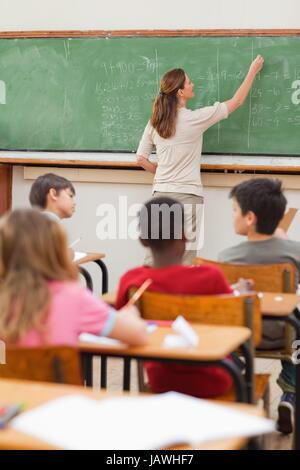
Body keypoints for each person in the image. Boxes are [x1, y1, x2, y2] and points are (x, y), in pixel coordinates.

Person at [136, 56, 264, 264]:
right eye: (189, 82)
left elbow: (141, 159)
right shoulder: (194, 118)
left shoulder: (155, 122)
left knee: (155, 255)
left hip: (160, 195)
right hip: (187, 196)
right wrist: (252, 71)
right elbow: (236, 102)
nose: (192, 84)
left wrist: (160, 173)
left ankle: (151, 294)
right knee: (185, 257)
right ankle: (181, 296)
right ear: (180, 92)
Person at [116, 196, 233, 398]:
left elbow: (120, 326)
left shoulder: (132, 282)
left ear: (142, 239)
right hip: (214, 379)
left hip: (161, 381)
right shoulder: (211, 277)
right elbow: (235, 324)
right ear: (184, 235)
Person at [218, 177, 300, 434]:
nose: (233, 216)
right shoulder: (295, 253)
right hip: (284, 335)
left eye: (235, 210)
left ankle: (242, 377)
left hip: (242, 335)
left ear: (250, 218)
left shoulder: (227, 258)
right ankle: (289, 394)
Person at [0, 209, 147, 348]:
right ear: (57, 250)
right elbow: (139, 334)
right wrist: (130, 315)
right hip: (55, 375)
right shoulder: (73, 297)